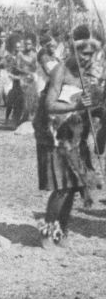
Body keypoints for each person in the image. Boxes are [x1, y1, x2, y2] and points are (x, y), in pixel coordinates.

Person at [33, 25, 101, 247]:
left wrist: (94, 106)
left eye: (92, 55)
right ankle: (47, 233)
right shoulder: (60, 71)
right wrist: (77, 104)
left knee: (73, 186)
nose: (88, 59)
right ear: (73, 50)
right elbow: (50, 106)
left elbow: (89, 107)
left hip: (74, 136)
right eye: (84, 53)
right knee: (62, 187)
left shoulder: (88, 76)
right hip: (54, 136)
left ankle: (61, 230)